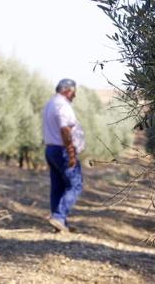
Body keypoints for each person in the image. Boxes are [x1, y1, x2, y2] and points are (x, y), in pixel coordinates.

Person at [42, 78, 85, 232]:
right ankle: (59, 217)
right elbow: (65, 130)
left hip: (51, 149)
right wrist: (71, 153)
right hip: (62, 150)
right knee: (75, 185)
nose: (74, 96)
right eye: (74, 92)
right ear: (67, 91)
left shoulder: (50, 104)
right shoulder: (62, 106)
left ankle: (60, 223)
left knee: (58, 187)